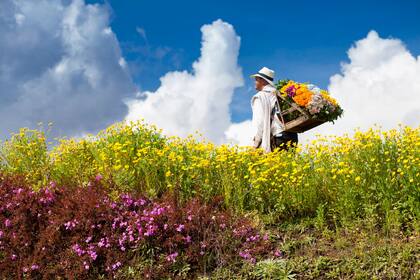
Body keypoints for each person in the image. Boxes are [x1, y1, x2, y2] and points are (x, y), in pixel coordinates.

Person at [250, 67, 298, 153]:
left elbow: (260, 122)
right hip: (292, 135)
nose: (255, 82)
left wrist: (256, 143)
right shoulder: (281, 94)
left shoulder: (260, 97)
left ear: (263, 81)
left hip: (278, 137)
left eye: (256, 79)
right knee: (289, 164)